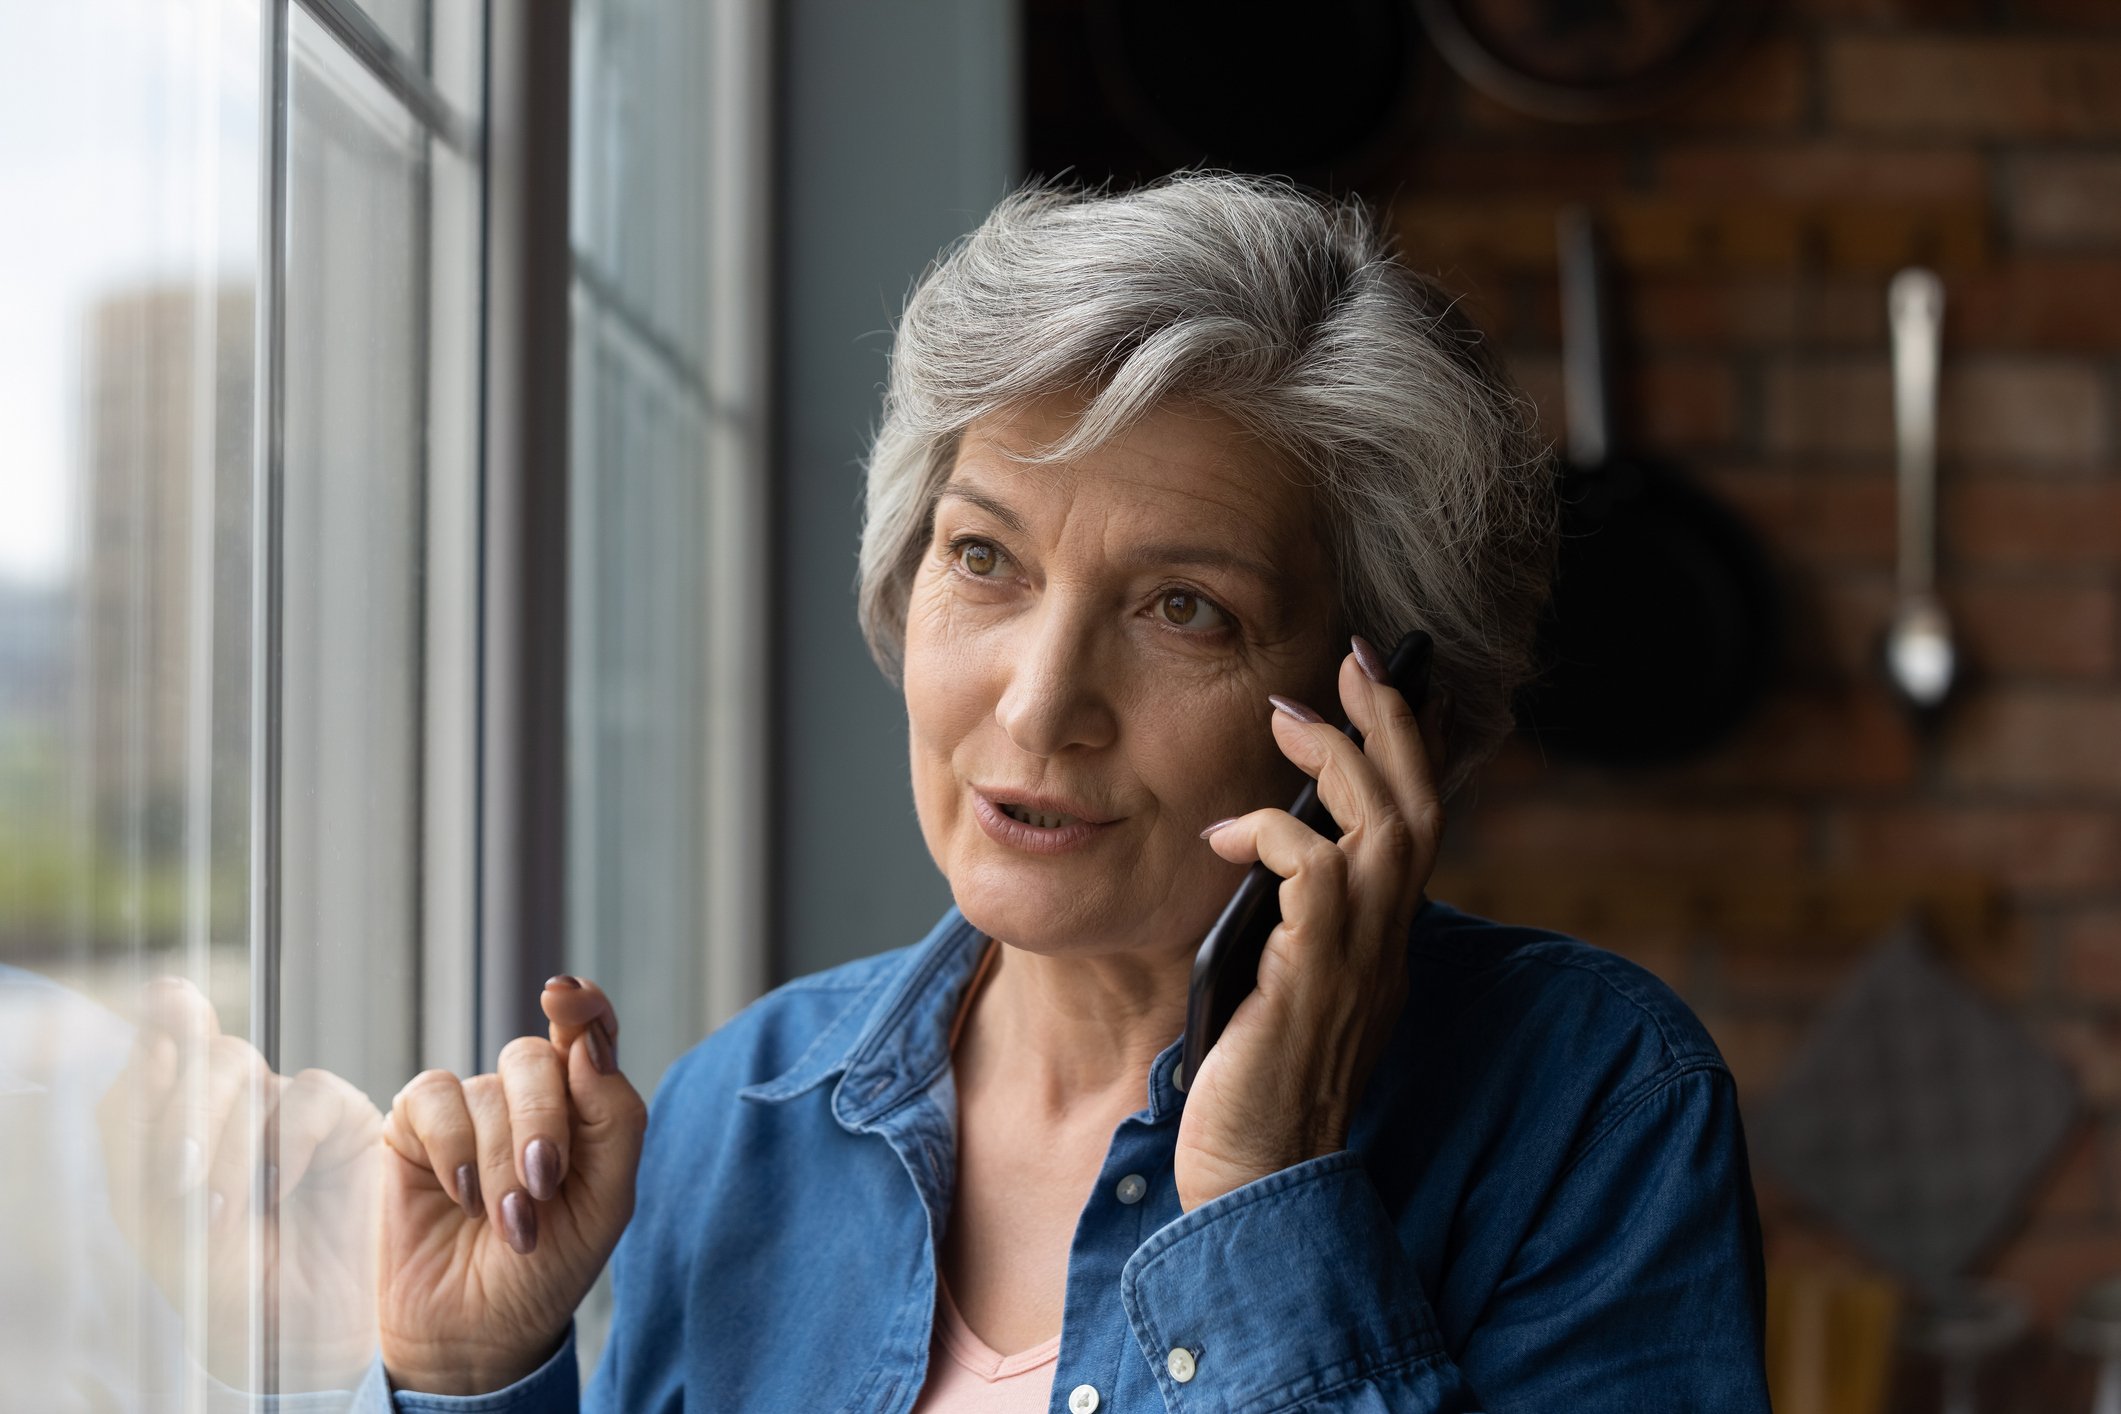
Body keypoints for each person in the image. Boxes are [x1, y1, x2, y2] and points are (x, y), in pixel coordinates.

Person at [372, 173, 1770, 1413]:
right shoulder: (741, 1109)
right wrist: (468, 1375)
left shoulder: (1591, 1104)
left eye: (1183, 607)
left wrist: (1268, 1189)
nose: (1040, 701)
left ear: (1388, 701)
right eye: (984, 559)